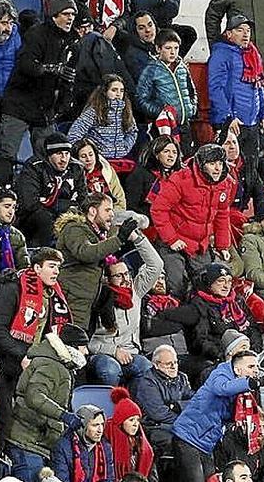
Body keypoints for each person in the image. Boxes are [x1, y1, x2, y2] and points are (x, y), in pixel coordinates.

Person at [0, 0, 80, 186]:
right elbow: (26, 65)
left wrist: (63, 103)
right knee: (7, 153)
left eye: (72, 14)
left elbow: (69, 77)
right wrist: (51, 69)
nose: (70, 18)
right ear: (54, 15)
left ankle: (41, 192)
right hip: (19, 102)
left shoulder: (74, 41)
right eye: (66, 14)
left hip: (44, 107)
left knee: (48, 155)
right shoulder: (36, 34)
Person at [0, 247, 71, 434]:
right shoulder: (13, 288)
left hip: (34, 362)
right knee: (5, 415)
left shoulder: (53, 294)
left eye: (58, 267)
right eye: (51, 266)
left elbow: (53, 330)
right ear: (36, 268)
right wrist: (22, 355)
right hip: (6, 362)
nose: (56, 271)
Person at [171, 351, 264, 482]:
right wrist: (254, 383)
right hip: (188, 437)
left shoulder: (242, 390)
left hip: (206, 443)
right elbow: (221, 388)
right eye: (251, 367)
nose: (256, 371)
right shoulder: (221, 374)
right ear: (237, 370)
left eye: (257, 366)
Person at [5, 324, 90, 482]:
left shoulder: (60, 367)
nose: (86, 352)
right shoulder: (51, 366)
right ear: (72, 347)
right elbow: (35, 396)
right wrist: (63, 415)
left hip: (38, 443)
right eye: (83, 347)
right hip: (27, 441)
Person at [150, 143, 236, 298]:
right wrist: (172, 239)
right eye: (212, 164)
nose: (217, 169)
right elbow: (158, 209)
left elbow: (222, 215)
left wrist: (223, 245)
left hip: (200, 245)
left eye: (220, 163)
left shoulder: (225, 184)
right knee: (176, 286)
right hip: (173, 243)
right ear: (201, 165)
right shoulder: (181, 179)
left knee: (207, 286)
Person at [88, 222, 162, 387]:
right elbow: (89, 341)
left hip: (132, 353)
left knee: (146, 368)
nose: (126, 279)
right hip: (102, 354)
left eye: (127, 273)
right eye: (119, 276)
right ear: (107, 279)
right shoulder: (96, 296)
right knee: (110, 369)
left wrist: (136, 238)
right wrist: (114, 351)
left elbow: (156, 265)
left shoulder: (136, 290)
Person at [54, 192, 136, 329]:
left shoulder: (95, 233)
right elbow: (86, 253)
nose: (112, 214)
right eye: (107, 210)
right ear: (93, 210)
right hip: (72, 298)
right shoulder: (74, 229)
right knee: (70, 343)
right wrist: (119, 239)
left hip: (86, 301)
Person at [182, 263, 264, 380]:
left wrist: (253, 350)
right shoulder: (198, 304)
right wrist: (224, 354)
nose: (226, 286)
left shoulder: (237, 301)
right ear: (209, 284)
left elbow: (253, 328)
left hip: (244, 354)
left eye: (229, 281)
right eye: (221, 281)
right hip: (216, 358)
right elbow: (200, 340)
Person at [207, 14, 264, 166]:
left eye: (248, 30)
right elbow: (216, 88)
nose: (246, 34)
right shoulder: (220, 54)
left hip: (251, 122)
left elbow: (258, 84)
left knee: (250, 168)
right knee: (228, 167)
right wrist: (228, 116)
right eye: (240, 30)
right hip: (231, 122)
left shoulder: (253, 54)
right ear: (228, 34)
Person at [15, 133, 88, 247]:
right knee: (44, 218)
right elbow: (29, 204)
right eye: (59, 154)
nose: (64, 159)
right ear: (49, 155)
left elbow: (82, 200)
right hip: (33, 220)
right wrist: (64, 207)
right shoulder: (34, 167)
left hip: (65, 213)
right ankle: (41, 254)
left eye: (67, 153)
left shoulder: (77, 168)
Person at [135, 28, 198, 149]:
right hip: (163, 126)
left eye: (176, 48)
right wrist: (160, 112)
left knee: (186, 158)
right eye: (168, 48)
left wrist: (192, 108)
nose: (173, 52)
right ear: (158, 49)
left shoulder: (182, 67)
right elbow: (140, 98)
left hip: (185, 124)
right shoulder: (151, 69)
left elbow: (192, 91)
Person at [132, 344, 193, 448]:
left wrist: (176, 405)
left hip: (176, 423)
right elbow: (158, 413)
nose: (174, 367)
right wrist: (185, 420)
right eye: (169, 364)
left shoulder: (182, 378)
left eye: (175, 362)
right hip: (154, 427)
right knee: (181, 439)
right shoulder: (147, 382)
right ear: (156, 365)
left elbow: (195, 401)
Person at [68, 74, 138, 160]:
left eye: (121, 91)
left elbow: (132, 132)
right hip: (99, 161)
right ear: (104, 92)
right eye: (114, 90)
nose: (118, 94)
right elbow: (73, 135)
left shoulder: (126, 110)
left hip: (121, 159)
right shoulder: (94, 111)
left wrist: (125, 147)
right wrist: (90, 153)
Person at [50, 404, 115, 482]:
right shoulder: (63, 447)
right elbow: (62, 479)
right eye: (95, 425)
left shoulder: (105, 448)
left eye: (102, 424)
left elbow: (109, 479)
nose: (100, 430)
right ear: (82, 427)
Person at [125, 135, 181, 223]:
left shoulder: (180, 176)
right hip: (147, 220)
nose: (171, 156)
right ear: (156, 154)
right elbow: (131, 205)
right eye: (166, 151)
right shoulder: (140, 174)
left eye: (174, 152)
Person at [106, 387, 156, 480]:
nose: (135, 424)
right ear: (121, 422)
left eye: (137, 420)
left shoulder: (142, 442)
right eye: (131, 420)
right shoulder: (108, 437)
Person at [74, 138, 127, 211]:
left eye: (91, 155)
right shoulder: (73, 175)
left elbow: (119, 198)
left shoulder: (107, 170)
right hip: (87, 216)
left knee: (141, 219)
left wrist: (113, 213)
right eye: (83, 156)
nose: (88, 159)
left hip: (112, 213)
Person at [124, 11, 158, 82]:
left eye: (150, 25)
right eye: (141, 28)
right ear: (135, 32)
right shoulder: (132, 55)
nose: (148, 30)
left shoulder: (164, 43)